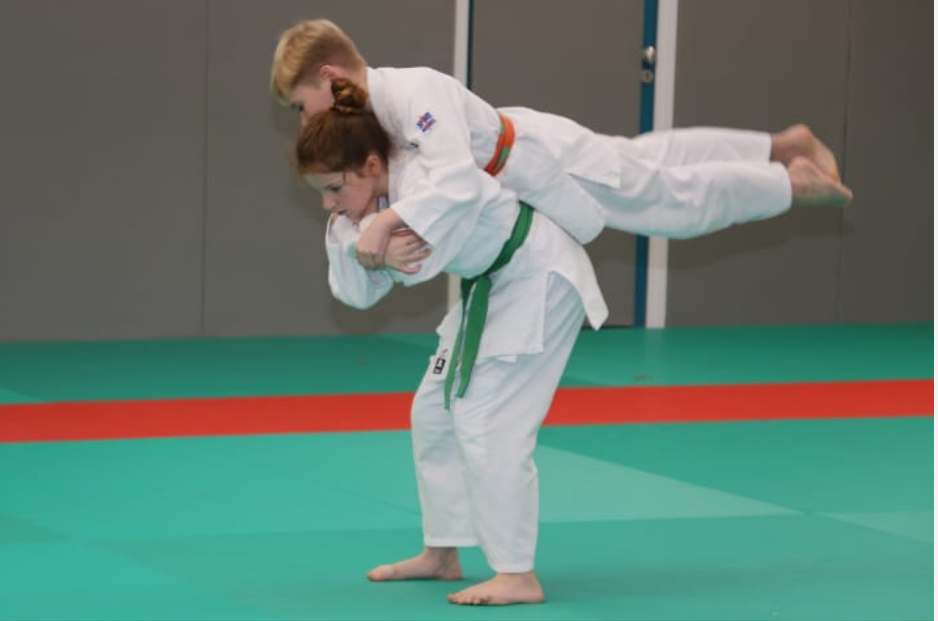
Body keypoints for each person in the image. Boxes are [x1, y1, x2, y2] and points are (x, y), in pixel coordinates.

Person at [296, 78, 608, 606]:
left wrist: (376, 243)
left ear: (371, 166)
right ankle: (442, 552)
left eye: (335, 188)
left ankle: (517, 573)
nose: (330, 204)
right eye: (321, 193)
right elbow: (356, 294)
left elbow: (415, 264)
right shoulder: (366, 209)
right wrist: (362, 244)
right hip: (491, 285)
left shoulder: (425, 179)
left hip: (537, 277)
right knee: (432, 413)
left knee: (486, 419)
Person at [271, 19, 853, 269]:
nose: (304, 122)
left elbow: (454, 179)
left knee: (670, 204)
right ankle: (775, 146)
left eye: (300, 105)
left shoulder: (410, 93)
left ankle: (787, 182)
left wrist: (384, 222)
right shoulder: (378, 111)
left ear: (329, 76)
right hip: (532, 150)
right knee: (646, 159)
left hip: (544, 163)